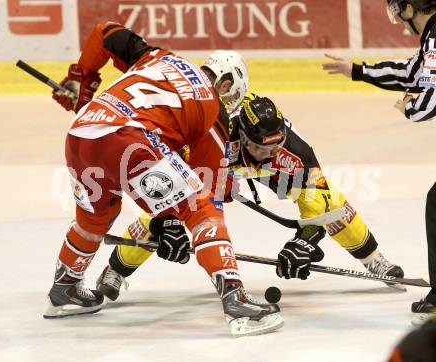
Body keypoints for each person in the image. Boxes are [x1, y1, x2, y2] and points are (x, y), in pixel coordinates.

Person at [44, 21, 287, 337]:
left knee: (95, 218)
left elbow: (104, 32)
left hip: (81, 135)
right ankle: (235, 299)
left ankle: (65, 290)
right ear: (226, 86)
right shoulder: (214, 111)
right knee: (202, 208)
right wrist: (176, 219)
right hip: (129, 139)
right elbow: (207, 190)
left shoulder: (159, 57)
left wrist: (82, 77)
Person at [96, 91, 405, 301]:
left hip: (262, 173)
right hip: (219, 166)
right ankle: (115, 271)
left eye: (275, 146)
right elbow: (169, 184)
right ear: (241, 135)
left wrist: (304, 241)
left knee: (331, 200)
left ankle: (375, 261)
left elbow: (323, 204)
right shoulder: (214, 136)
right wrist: (168, 226)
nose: (269, 153)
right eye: (261, 148)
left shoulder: (294, 152)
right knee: (171, 209)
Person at [322, 0, 436, 320]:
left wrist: (409, 108)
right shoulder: (432, 37)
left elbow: (429, 100)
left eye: (400, 8)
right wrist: (357, 71)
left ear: (413, 8)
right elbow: (413, 72)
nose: (398, 17)